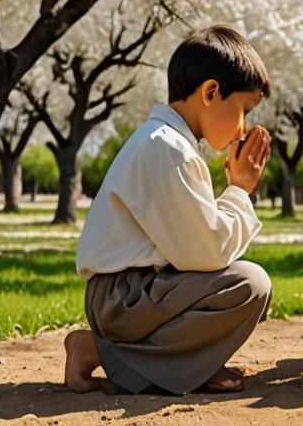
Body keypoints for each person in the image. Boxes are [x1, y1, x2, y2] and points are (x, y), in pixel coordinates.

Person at [64, 24, 273, 396]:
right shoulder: (168, 149)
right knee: (249, 285)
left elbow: (196, 243)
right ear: (211, 92)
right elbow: (206, 253)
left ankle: (187, 365)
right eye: (243, 109)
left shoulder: (169, 143)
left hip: (134, 291)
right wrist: (240, 190)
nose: (244, 128)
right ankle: (100, 352)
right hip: (124, 297)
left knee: (243, 282)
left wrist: (234, 193)